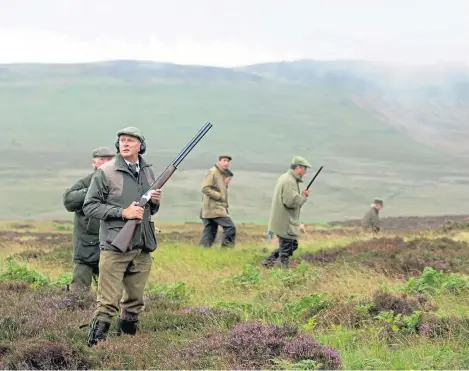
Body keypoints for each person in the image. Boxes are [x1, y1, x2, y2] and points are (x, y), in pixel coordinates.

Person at [82, 126, 162, 347]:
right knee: (107, 302)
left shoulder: (148, 171)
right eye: (122, 140)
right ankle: (95, 348)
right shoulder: (106, 171)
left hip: (142, 245)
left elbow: (150, 211)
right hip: (115, 245)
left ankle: (127, 347)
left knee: (135, 301)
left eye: (130, 140)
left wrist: (154, 202)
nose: (125, 144)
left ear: (140, 146)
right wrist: (122, 212)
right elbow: (90, 207)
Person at [63, 147, 115, 291]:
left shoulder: (119, 183)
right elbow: (69, 200)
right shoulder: (86, 182)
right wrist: (91, 190)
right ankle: (73, 311)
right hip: (87, 243)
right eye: (102, 160)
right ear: (94, 162)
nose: (105, 163)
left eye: (109, 160)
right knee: (79, 290)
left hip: (112, 241)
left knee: (111, 288)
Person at [262, 156, 311, 268]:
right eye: (305, 169)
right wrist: (304, 196)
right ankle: (280, 274)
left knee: (292, 245)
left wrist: (301, 196)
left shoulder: (285, 177)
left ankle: (267, 263)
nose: (305, 172)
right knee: (286, 251)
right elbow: (291, 202)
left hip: (282, 221)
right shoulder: (289, 181)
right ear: (298, 168)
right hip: (285, 223)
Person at [199, 154, 236, 247]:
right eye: (224, 160)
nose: (226, 163)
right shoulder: (213, 172)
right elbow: (205, 188)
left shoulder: (222, 174)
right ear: (218, 161)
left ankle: (202, 251)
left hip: (213, 207)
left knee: (210, 231)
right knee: (230, 227)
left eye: (228, 161)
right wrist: (219, 196)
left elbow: (218, 188)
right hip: (214, 207)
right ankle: (226, 250)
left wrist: (226, 184)